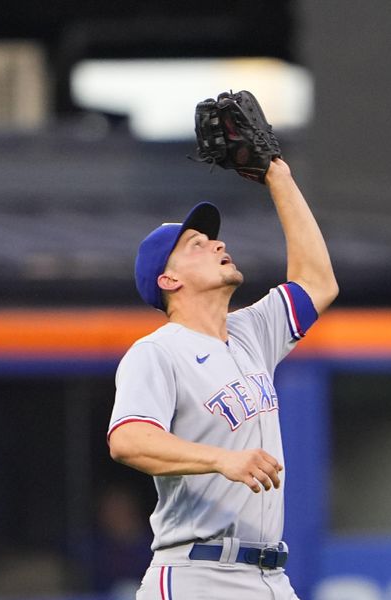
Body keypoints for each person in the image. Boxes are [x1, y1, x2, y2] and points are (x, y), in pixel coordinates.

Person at [107, 157, 338, 600]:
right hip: (198, 573)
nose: (216, 244)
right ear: (169, 278)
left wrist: (278, 177)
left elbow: (317, 282)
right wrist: (220, 459)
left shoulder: (251, 331)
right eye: (196, 244)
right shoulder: (157, 351)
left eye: (212, 239)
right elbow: (128, 439)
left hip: (270, 576)